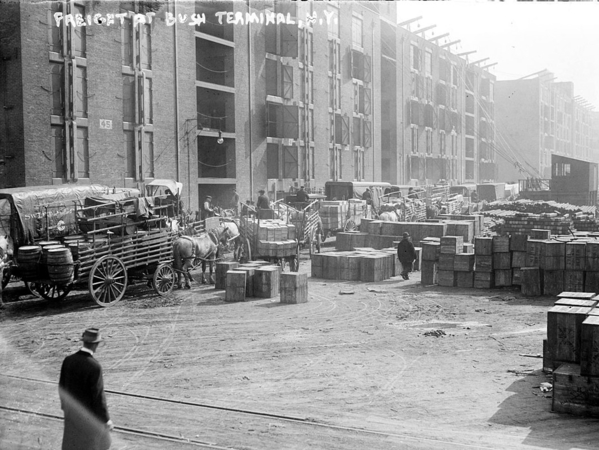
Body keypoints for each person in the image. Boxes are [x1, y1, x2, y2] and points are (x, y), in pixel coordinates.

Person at [59, 328, 113, 450]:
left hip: (71, 414)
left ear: (83, 342)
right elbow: (98, 397)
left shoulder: (68, 360)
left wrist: (66, 408)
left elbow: (61, 386)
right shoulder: (94, 366)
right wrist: (106, 420)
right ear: (96, 345)